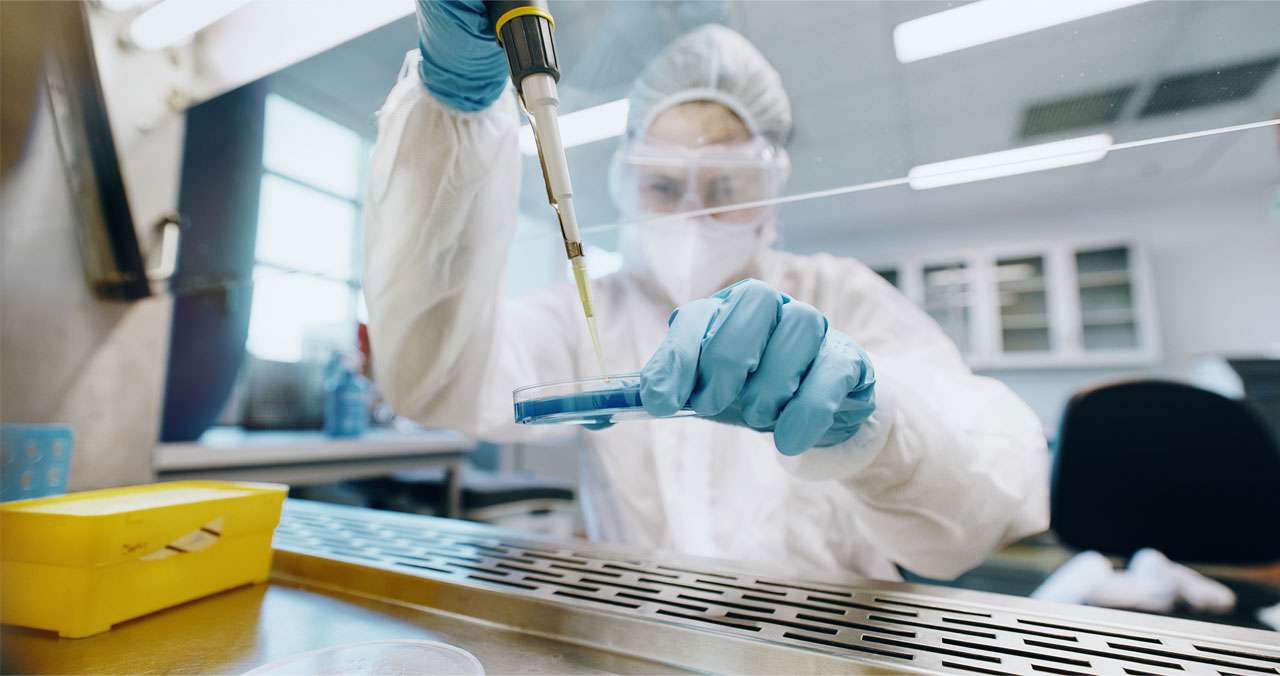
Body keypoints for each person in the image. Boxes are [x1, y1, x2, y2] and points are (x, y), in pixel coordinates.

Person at [363, 0, 1049, 581]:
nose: (692, 210)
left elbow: (982, 510)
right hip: (639, 640)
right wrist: (451, 105)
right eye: (664, 185)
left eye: (724, 187)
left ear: (771, 187)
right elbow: (434, 379)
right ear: (627, 185)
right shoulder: (584, 315)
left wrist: (874, 426)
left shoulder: (841, 295)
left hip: (827, 647)